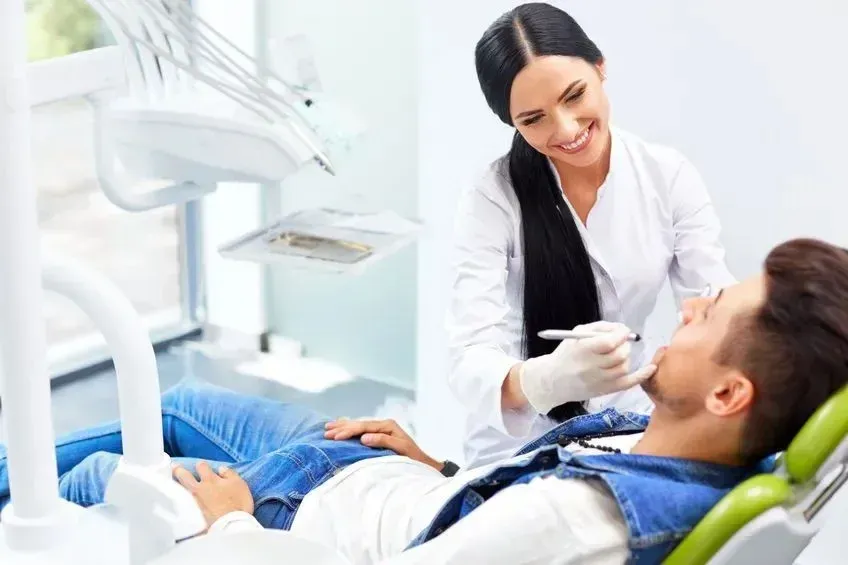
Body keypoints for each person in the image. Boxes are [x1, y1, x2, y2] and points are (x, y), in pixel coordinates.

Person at [2, 238, 846, 565]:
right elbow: (506, 503)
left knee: (86, 481)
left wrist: (230, 527)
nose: (691, 307)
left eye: (712, 313)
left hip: (294, 512)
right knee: (184, 399)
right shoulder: (687, 460)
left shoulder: (578, 522)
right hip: (380, 470)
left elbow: (530, 527)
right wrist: (438, 467)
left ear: (730, 392)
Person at [447, 2, 739, 467]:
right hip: (518, 445)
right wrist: (547, 379)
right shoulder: (492, 198)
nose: (566, 129)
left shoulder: (667, 177)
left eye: (574, 95)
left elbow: (718, 309)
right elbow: (468, 359)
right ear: (512, 123)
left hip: (630, 423)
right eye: (534, 119)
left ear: (600, 68)